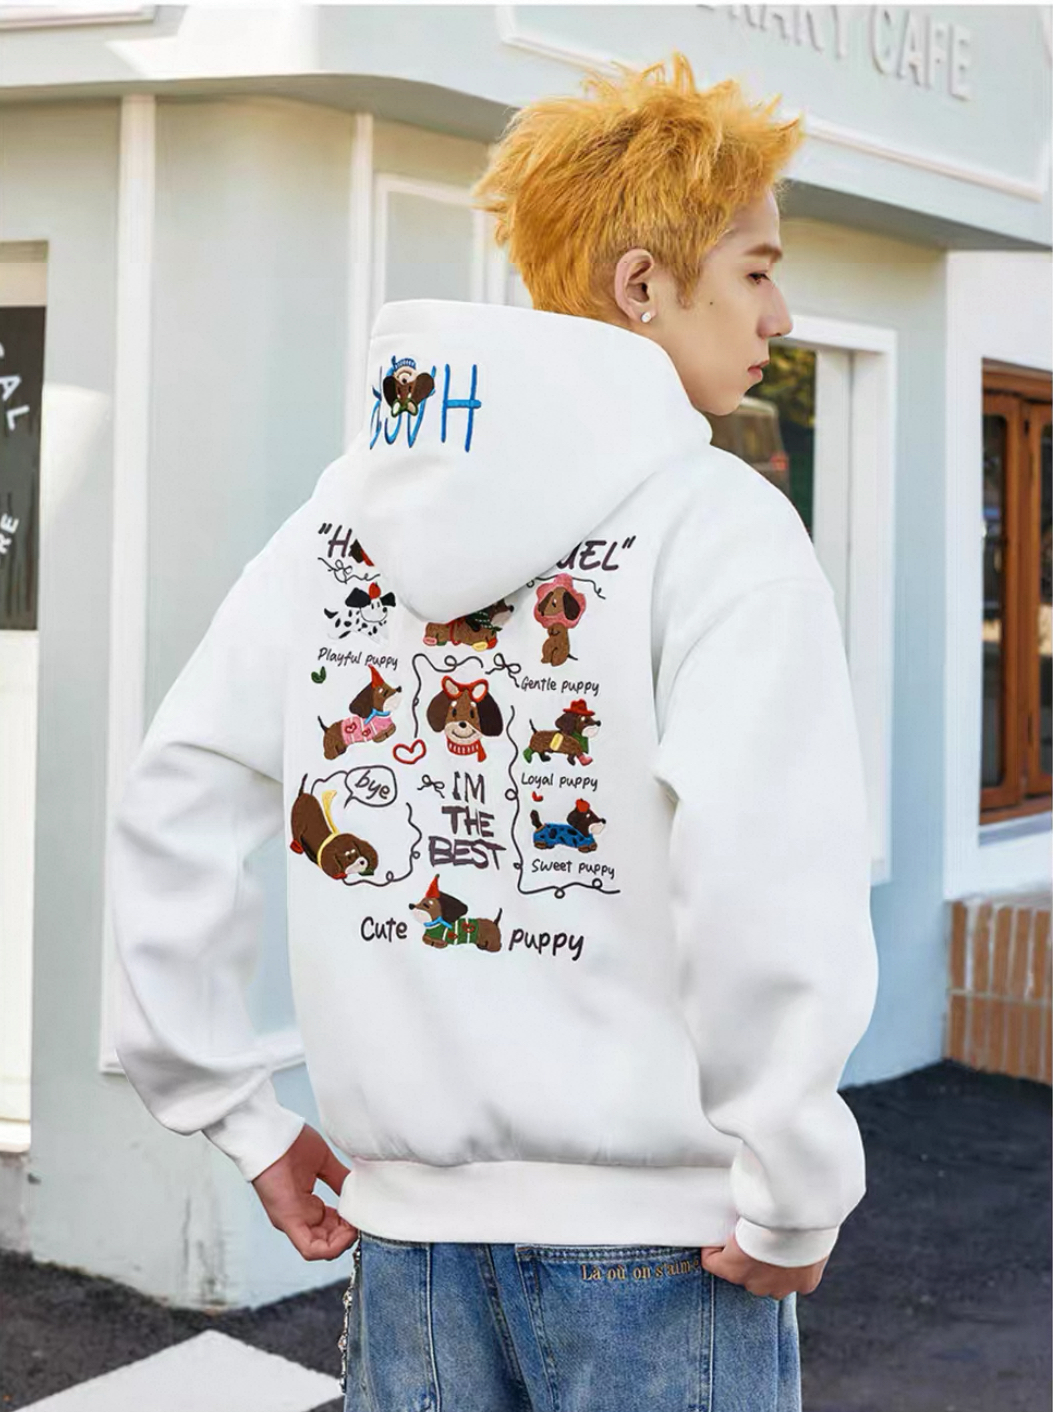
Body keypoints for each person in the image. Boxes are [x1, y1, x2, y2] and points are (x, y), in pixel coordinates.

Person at [109, 52, 879, 1412]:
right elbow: (764, 868)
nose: (780, 312)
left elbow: (178, 788)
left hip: (410, 1254)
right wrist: (793, 1180)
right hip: (666, 1257)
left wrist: (236, 1110)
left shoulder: (336, 529)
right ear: (642, 286)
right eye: (755, 269)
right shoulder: (719, 526)